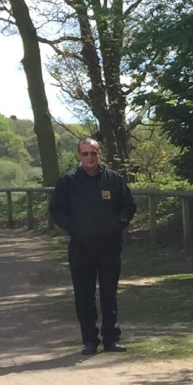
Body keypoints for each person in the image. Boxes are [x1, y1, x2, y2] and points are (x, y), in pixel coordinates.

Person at [48, 138, 136, 355]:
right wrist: (74, 229)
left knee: (109, 294)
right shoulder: (68, 181)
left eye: (93, 153)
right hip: (81, 247)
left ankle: (111, 339)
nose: (90, 157)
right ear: (78, 155)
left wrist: (117, 225)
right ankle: (89, 340)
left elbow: (128, 206)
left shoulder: (113, 179)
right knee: (84, 294)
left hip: (109, 246)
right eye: (85, 153)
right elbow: (57, 210)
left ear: (99, 154)